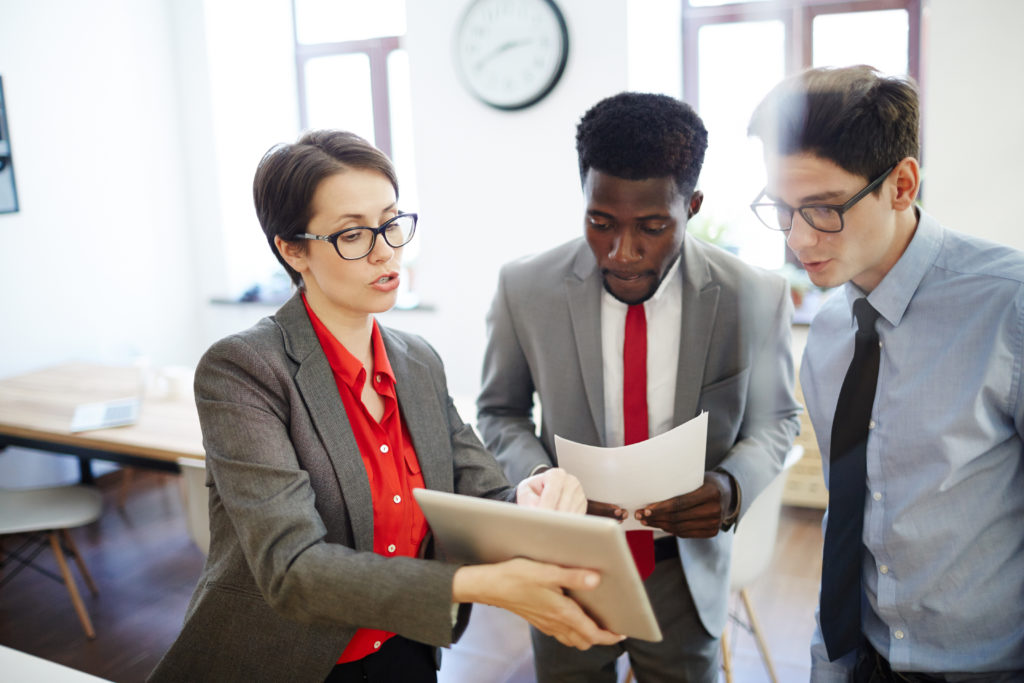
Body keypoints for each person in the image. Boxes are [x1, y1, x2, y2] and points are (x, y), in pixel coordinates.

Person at [148, 130, 624, 683]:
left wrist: (530, 493)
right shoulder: (244, 370)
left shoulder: (416, 361)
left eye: (392, 223)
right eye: (353, 234)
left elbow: (482, 491)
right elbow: (292, 568)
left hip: (404, 649)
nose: (384, 251)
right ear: (292, 249)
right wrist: (475, 585)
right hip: (281, 660)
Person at [477, 92, 802, 682]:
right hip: (567, 563)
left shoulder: (754, 295)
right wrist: (540, 482)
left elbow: (777, 420)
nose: (622, 253)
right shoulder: (525, 287)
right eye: (600, 223)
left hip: (683, 570)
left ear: (693, 206)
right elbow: (499, 412)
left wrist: (731, 486)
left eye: (652, 227)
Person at [747, 65, 1024, 682]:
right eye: (782, 208)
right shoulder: (826, 333)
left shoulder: (1009, 305)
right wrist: (830, 661)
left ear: (901, 184)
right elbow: (848, 516)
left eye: (821, 209)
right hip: (861, 661)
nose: (796, 238)